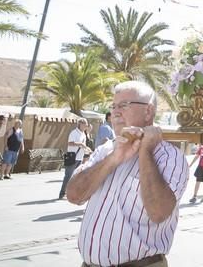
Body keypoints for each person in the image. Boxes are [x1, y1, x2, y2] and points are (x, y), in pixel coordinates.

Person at [66, 80, 189, 267]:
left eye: (124, 105)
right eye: (113, 106)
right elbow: (74, 195)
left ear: (148, 111)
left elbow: (158, 212)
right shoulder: (105, 150)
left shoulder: (169, 157)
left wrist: (145, 151)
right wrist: (113, 159)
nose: (115, 112)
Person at [58, 118, 91, 200]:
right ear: (80, 124)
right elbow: (70, 143)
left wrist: (87, 149)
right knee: (68, 176)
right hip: (72, 157)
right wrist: (80, 144)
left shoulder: (83, 134)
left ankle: (71, 194)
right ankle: (62, 193)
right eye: (85, 124)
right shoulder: (74, 132)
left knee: (76, 177)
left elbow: (83, 145)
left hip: (79, 158)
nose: (86, 126)